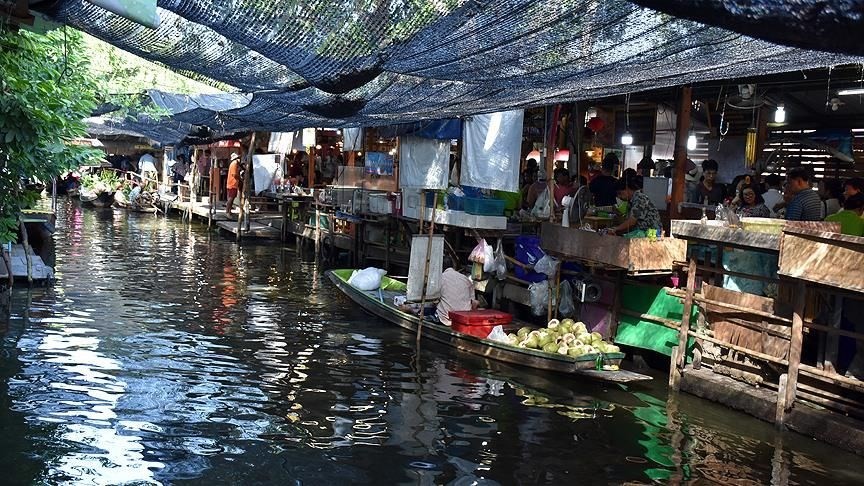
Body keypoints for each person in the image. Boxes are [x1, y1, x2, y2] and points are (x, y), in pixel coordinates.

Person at [437, 259, 478, 326]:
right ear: (453, 266)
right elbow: (474, 302)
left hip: (446, 319)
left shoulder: (440, 278)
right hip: (464, 318)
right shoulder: (465, 278)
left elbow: (433, 299)